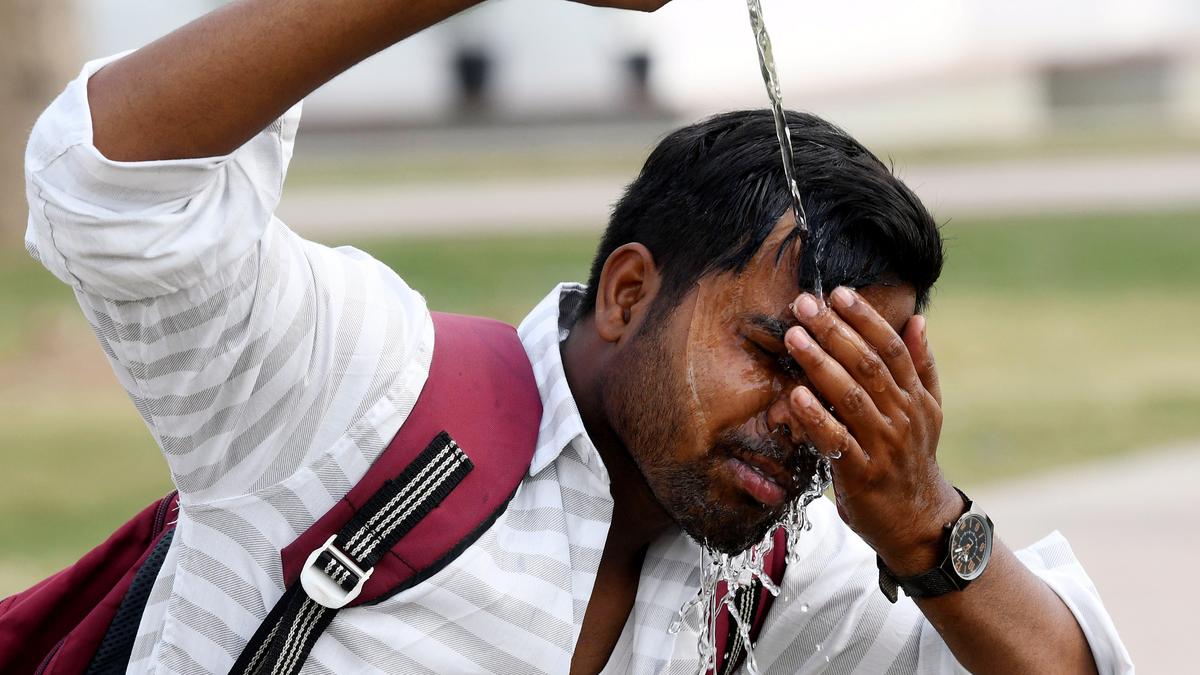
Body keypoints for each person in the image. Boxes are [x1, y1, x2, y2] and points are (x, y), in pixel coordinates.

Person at [22, 0, 1132, 672]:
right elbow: (104, 186)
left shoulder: (769, 578)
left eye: (850, 388)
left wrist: (927, 526)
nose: (806, 421)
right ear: (629, 291)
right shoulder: (355, 394)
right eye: (775, 353)